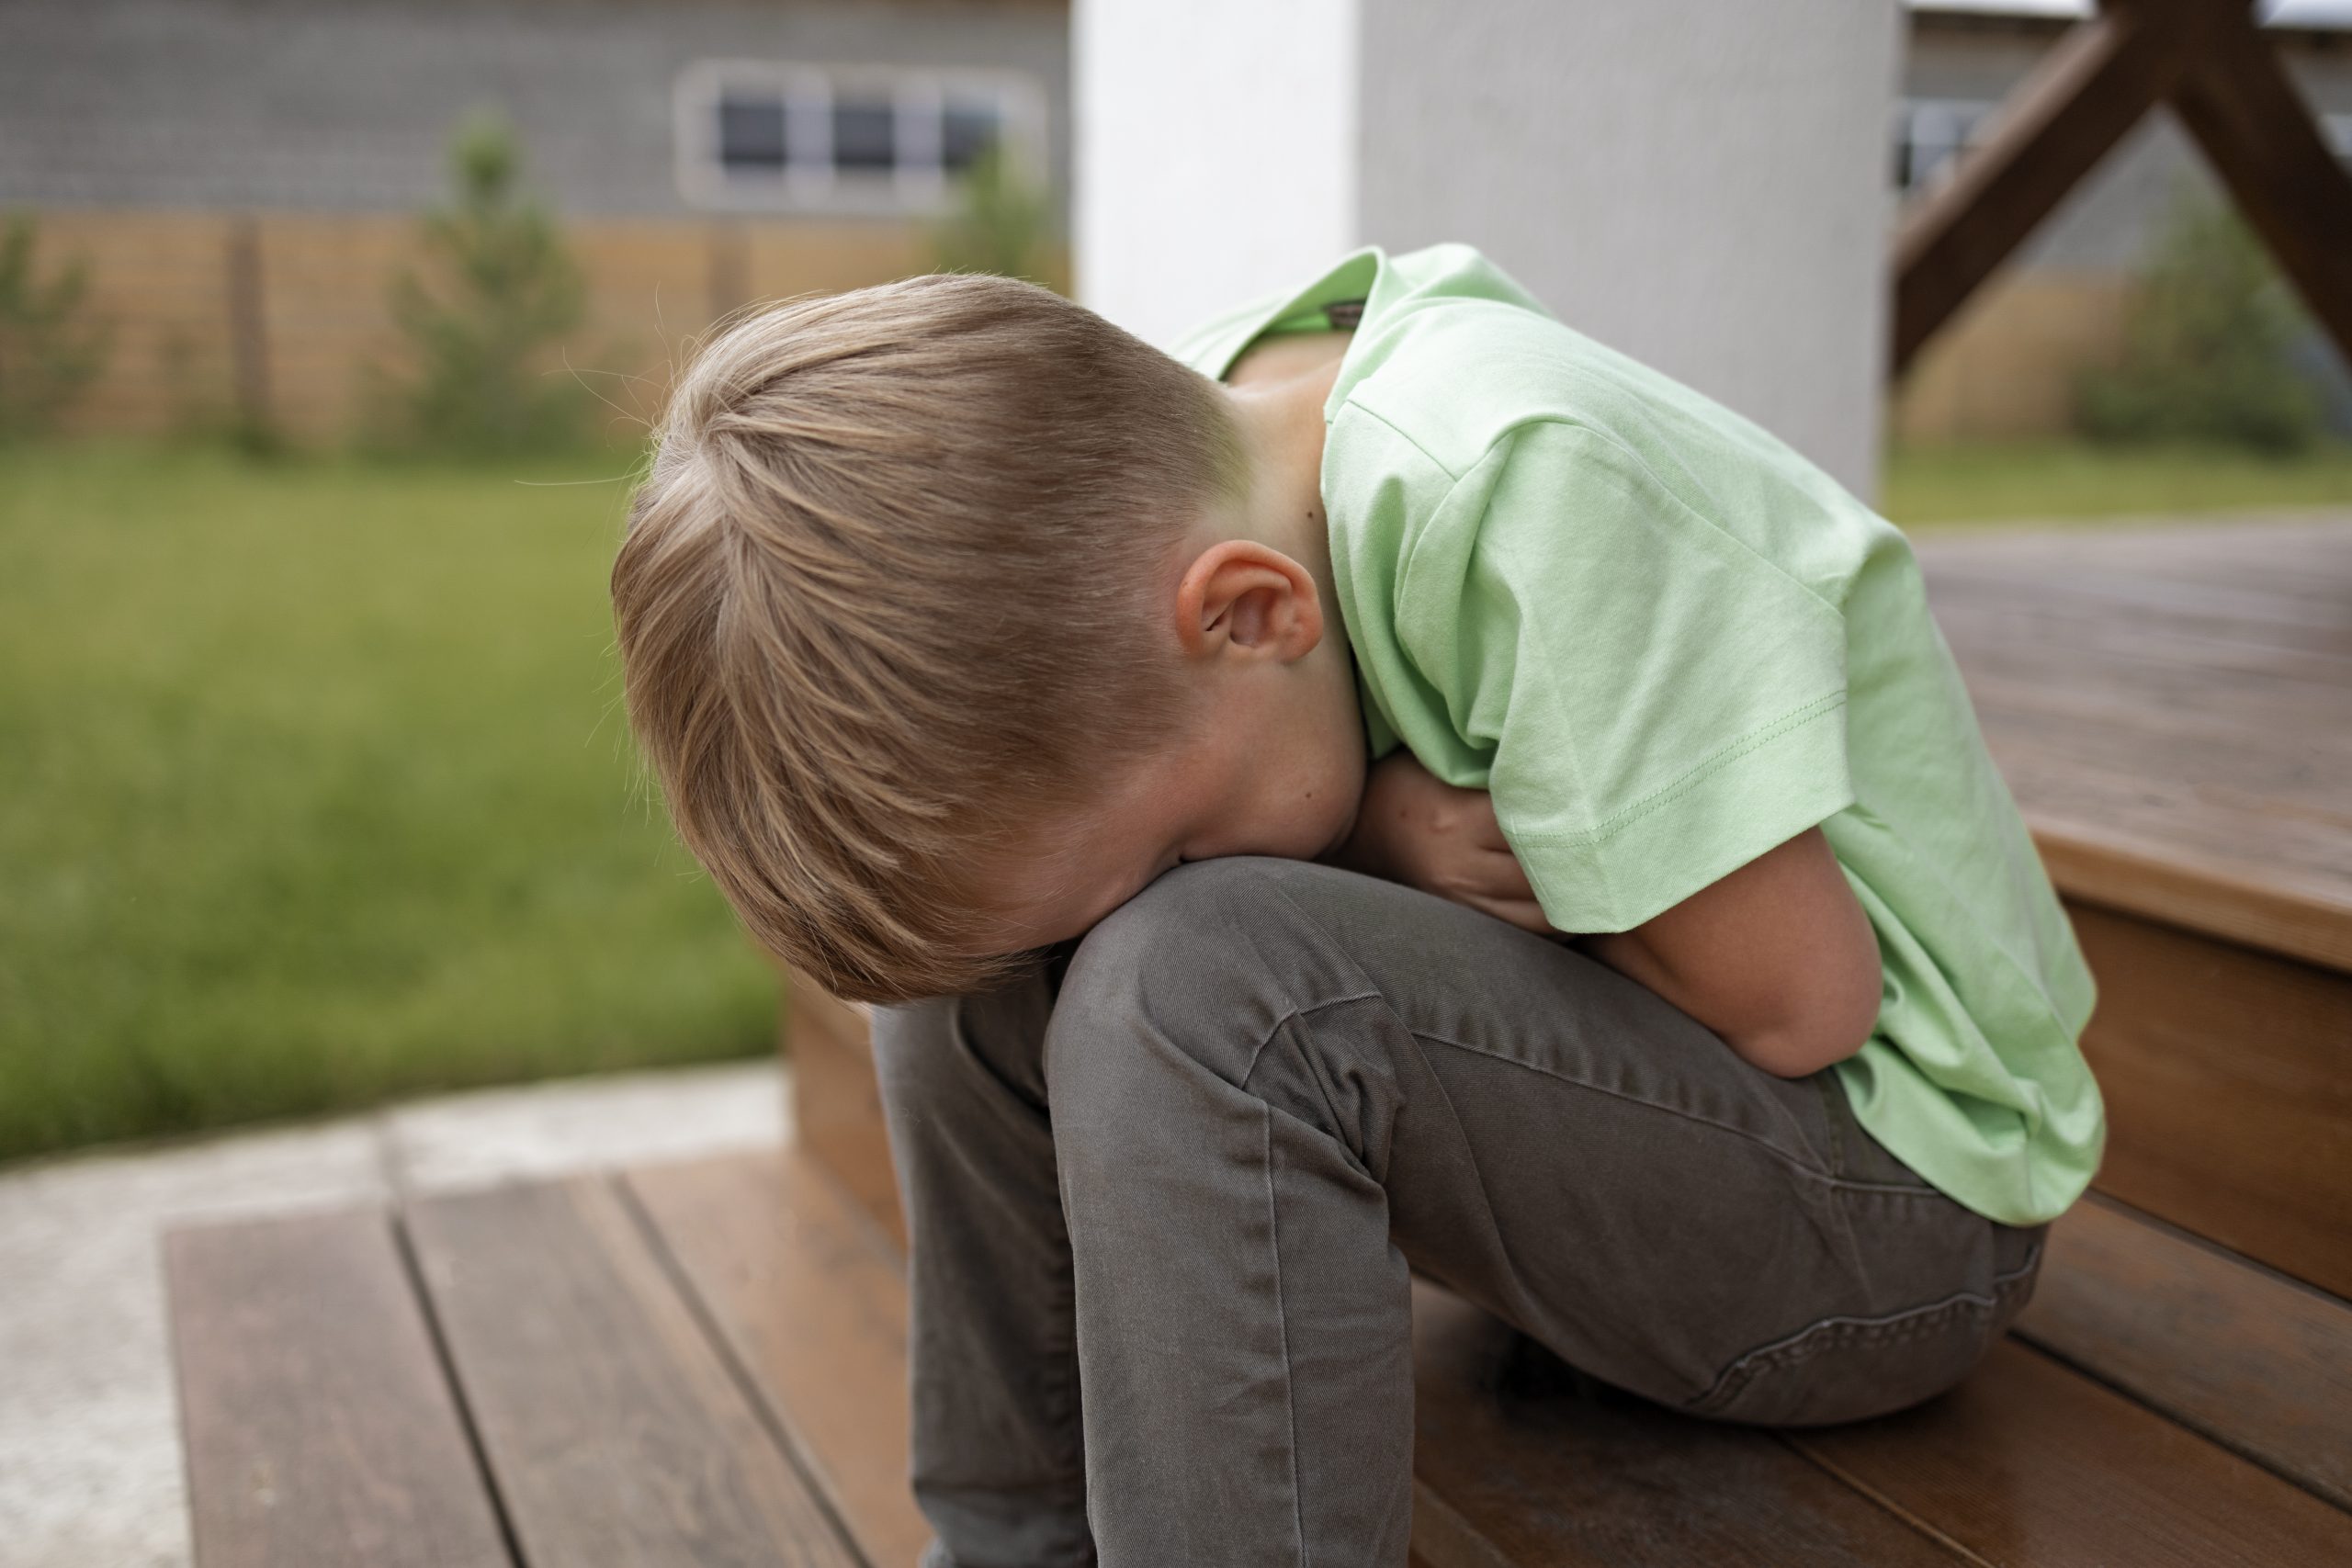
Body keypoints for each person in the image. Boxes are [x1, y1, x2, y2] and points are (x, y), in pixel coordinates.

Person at [610, 243, 2104, 1568]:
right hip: (1657, 1195)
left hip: (1895, 1215)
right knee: (985, 972)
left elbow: (1800, 1003)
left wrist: (1354, 852)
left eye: (1173, 841)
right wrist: (1371, 842)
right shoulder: (1179, 457)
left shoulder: (1527, 481)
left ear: (1253, 614)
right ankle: (1011, 1544)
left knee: (1195, 977)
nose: (1134, 911)